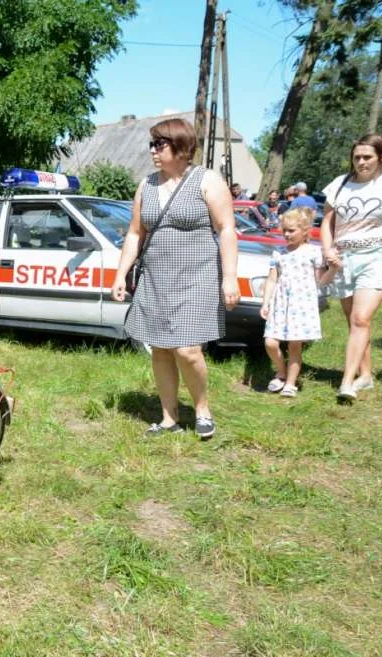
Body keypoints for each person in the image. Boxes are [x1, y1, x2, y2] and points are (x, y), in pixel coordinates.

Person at [112, 118, 239, 439]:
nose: (153, 151)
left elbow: (226, 229)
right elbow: (134, 233)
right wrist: (121, 273)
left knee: (187, 349)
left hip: (197, 278)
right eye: (152, 144)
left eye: (160, 144)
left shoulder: (207, 180)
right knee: (160, 348)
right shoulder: (147, 185)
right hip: (156, 278)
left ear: (182, 148)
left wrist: (230, 278)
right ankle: (168, 417)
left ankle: (202, 408)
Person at [320, 133, 382, 401]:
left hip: (378, 256)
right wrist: (328, 250)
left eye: (367, 157)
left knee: (362, 318)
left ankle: (346, 382)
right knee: (355, 321)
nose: (361, 162)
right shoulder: (340, 184)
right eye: (357, 157)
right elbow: (326, 221)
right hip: (343, 259)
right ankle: (366, 375)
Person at [260, 208, 337, 397]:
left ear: (305, 230)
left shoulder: (313, 252)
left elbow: (320, 280)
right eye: (284, 230)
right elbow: (272, 280)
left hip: (301, 305)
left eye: (291, 230)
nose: (286, 234)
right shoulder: (279, 253)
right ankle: (281, 371)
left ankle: (291, 383)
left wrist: (333, 270)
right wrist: (265, 302)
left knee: (295, 345)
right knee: (270, 342)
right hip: (280, 304)